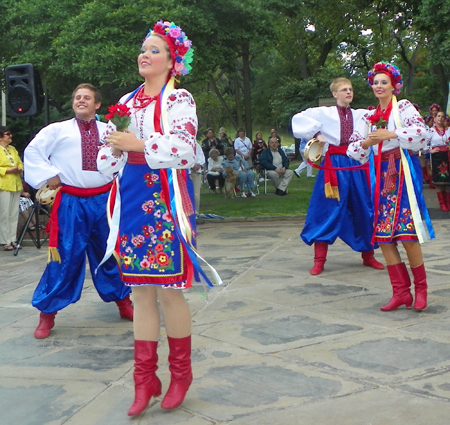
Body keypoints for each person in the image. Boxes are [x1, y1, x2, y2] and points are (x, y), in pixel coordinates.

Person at [97, 20, 219, 417]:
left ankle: (180, 373)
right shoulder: (126, 101)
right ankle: (144, 379)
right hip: (131, 196)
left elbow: (186, 150)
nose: (144, 54)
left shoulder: (179, 100)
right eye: (143, 49)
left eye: (153, 50)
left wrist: (138, 143)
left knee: (169, 289)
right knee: (140, 291)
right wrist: (115, 148)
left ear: (172, 61)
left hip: (165, 199)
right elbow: (105, 161)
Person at [24, 83, 133, 339]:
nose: (81, 100)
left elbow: (126, 159)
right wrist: (50, 175)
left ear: (97, 105)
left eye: (87, 98)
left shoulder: (111, 130)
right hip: (71, 202)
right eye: (77, 97)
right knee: (65, 255)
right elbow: (32, 152)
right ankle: (47, 314)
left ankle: (124, 303)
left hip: (104, 201)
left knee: (111, 253)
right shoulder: (56, 130)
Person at [347, 61, 432, 311]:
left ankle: (421, 289)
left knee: (406, 234)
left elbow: (421, 134)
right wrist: (366, 143)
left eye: (384, 82)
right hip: (380, 176)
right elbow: (354, 149)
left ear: (394, 85)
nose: (379, 86)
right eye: (375, 82)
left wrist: (391, 135)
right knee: (384, 236)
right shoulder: (368, 116)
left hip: (402, 174)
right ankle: (401, 292)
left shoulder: (403, 108)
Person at [292, 77, 384, 275]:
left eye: (350, 89)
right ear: (335, 94)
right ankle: (319, 260)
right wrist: (317, 133)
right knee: (326, 208)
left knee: (363, 206)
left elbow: (383, 116)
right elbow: (298, 119)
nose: (348, 92)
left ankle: (369, 256)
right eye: (344, 89)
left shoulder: (362, 115)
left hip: (357, 163)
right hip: (333, 165)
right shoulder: (323, 113)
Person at [0, 127, 23, 251]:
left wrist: (19, 168)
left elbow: (19, 162)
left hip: (15, 183)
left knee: (13, 213)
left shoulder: (12, 149)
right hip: (3, 184)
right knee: (4, 213)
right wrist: (7, 170)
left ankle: (13, 239)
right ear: (0, 137)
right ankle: (5, 241)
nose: (10, 136)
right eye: (7, 134)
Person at [426, 111, 450, 211]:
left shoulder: (448, 130)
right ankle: (442, 203)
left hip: (447, 156)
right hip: (437, 157)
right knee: (439, 180)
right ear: (434, 118)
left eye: (442, 116)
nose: (440, 118)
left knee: (448, 180)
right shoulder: (430, 131)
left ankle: (448, 202)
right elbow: (424, 143)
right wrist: (430, 151)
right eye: (438, 116)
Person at [190, 142, 205, 216]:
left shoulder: (196, 144)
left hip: (196, 172)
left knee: (196, 192)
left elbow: (201, 156)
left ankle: (196, 213)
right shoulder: (180, 143)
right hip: (185, 171)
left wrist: (198, 164)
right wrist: (191, 165)